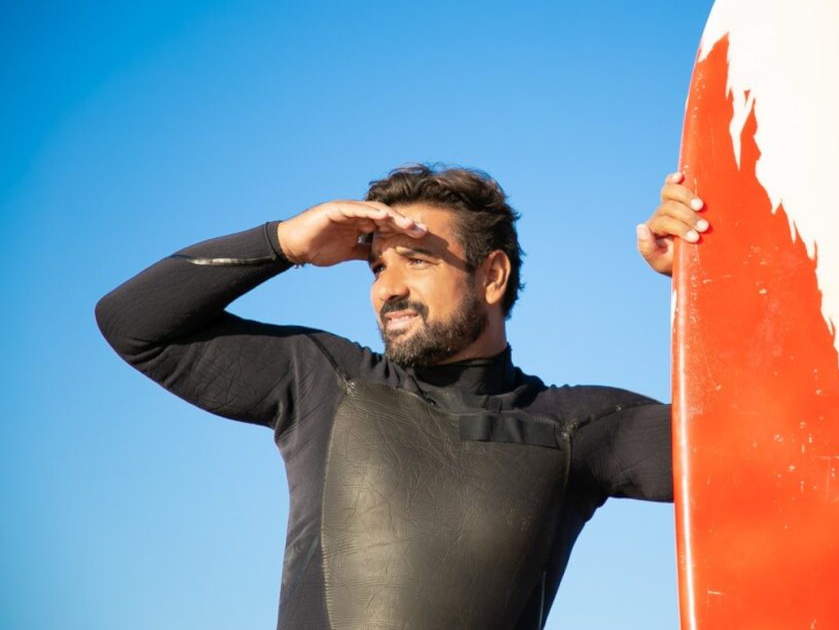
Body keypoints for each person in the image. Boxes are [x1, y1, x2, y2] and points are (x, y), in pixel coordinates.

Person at [95, 163, 708, 629]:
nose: (388, 288)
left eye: (415, 260)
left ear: (491, 275)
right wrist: (283, 242)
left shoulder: (578, 426)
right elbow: (134, 324)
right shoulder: (326, 383)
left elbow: (761, 446)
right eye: (376, 268)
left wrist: (706, 280)